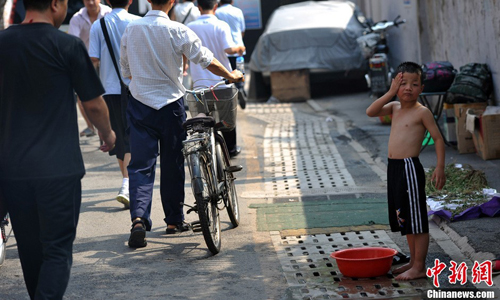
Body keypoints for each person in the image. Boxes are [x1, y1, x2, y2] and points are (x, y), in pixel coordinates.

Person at [0, 0, 116, 298]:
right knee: (57, 251)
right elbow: (93, 103)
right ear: (55, 5)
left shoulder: (3, 43)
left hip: (12, 169)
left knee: (28, 250)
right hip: (57, 169)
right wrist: (108, 134)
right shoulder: (67, 46)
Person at [120, 0, 243, 248]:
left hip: (140, 104)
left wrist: (145, 78)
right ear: (172, 2)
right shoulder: (178, 30)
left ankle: (138, 220)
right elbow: (206, 59)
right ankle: (174, 221)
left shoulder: (132, 29)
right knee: (173, 163)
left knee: (141, 166)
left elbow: (126, 70)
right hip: (170, 106)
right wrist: (230, 75)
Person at [366, 61, 446, 281]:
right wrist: (390, 92)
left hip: (410, 167)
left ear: (421, 88)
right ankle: (413, 261)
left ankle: (419, 267)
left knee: (417, 219)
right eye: (403, 83)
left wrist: (440, 167)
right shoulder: (394, 107)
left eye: (414, 83)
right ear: (396, 84)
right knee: (405, 218)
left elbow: (438, 139)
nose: (408, 88)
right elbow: (370, 111)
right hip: (394, 168)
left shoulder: (423, 112)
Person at [89, 0, 139, 208]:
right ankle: (128, 184)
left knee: (120, 138)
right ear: (131, 1)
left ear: (107, 1)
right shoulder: (138, 23)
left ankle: (127, 183)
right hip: (135, 88)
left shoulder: (98, 25)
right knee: (129, 139)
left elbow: (93, 60)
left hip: (110, 89)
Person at [187, 0, 244, 157]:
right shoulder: (221, 25)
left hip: (199, 85)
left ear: (198, 8)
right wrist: (240, 48)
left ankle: (205, 152)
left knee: (202, 122)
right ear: (216, 7)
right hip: (222, 83)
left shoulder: (190, 27)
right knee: (228, 120)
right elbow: (229, 49)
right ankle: (231, 150)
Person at [68, 0, 111, 137]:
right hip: (86, 61)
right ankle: (90, 126)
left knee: (109, 93)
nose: (91, 2)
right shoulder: (77, 18)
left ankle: (109, 126)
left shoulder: (109, 14)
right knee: (82, 95)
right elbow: (73, 42)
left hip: (107, 59)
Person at [215, 0, 246, 109]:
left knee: (226, 74)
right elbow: (242, 31)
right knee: (239, 72)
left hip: (225, 49)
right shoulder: (238, 11)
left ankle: (229, 97)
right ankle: (240, 87)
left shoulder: (217, 12)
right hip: (239, 48)